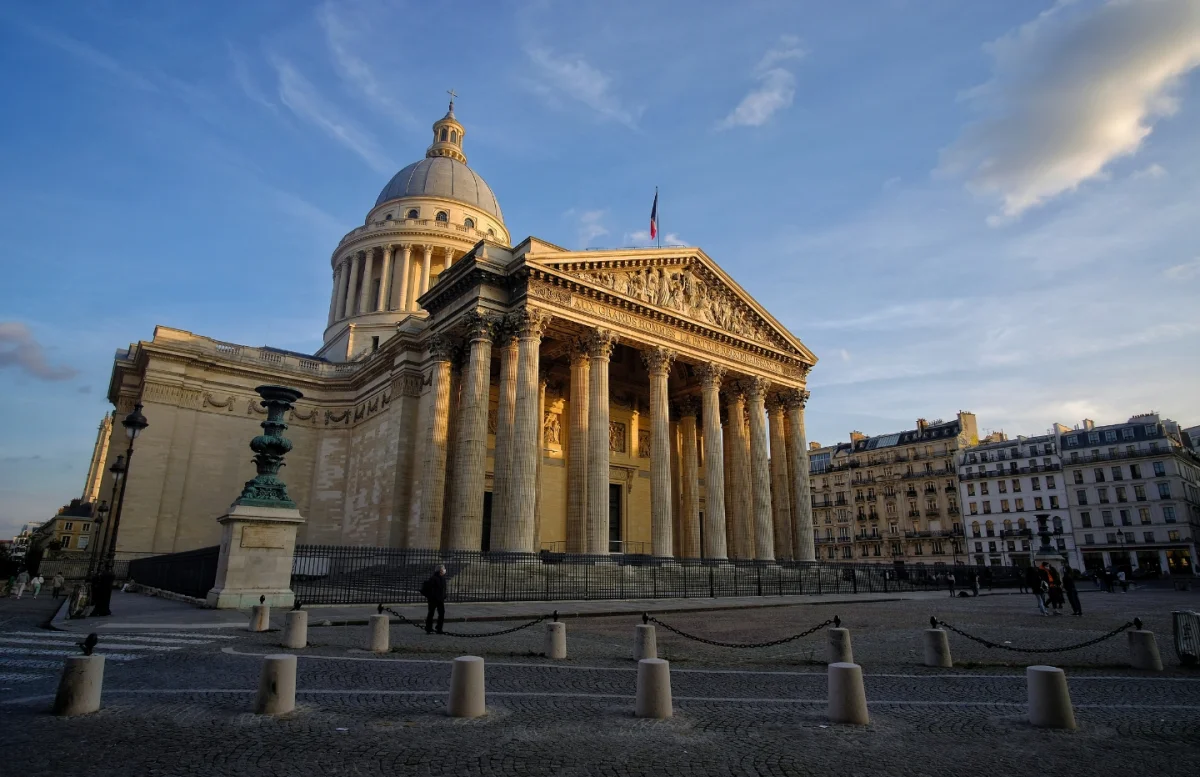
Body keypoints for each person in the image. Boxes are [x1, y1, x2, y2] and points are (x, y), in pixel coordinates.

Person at [420, 565, 448, 634]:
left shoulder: (443, 578)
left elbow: (443, 589)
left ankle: (439, 628)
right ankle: (429, 628)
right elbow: (428, 588)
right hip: (433, 600)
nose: (444, 570)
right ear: (440, 571)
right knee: (431, 613)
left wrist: (444, 595)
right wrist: (431, 596)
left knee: (441, 614)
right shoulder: (433, 578)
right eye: (443, 569)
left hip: (440, 599)